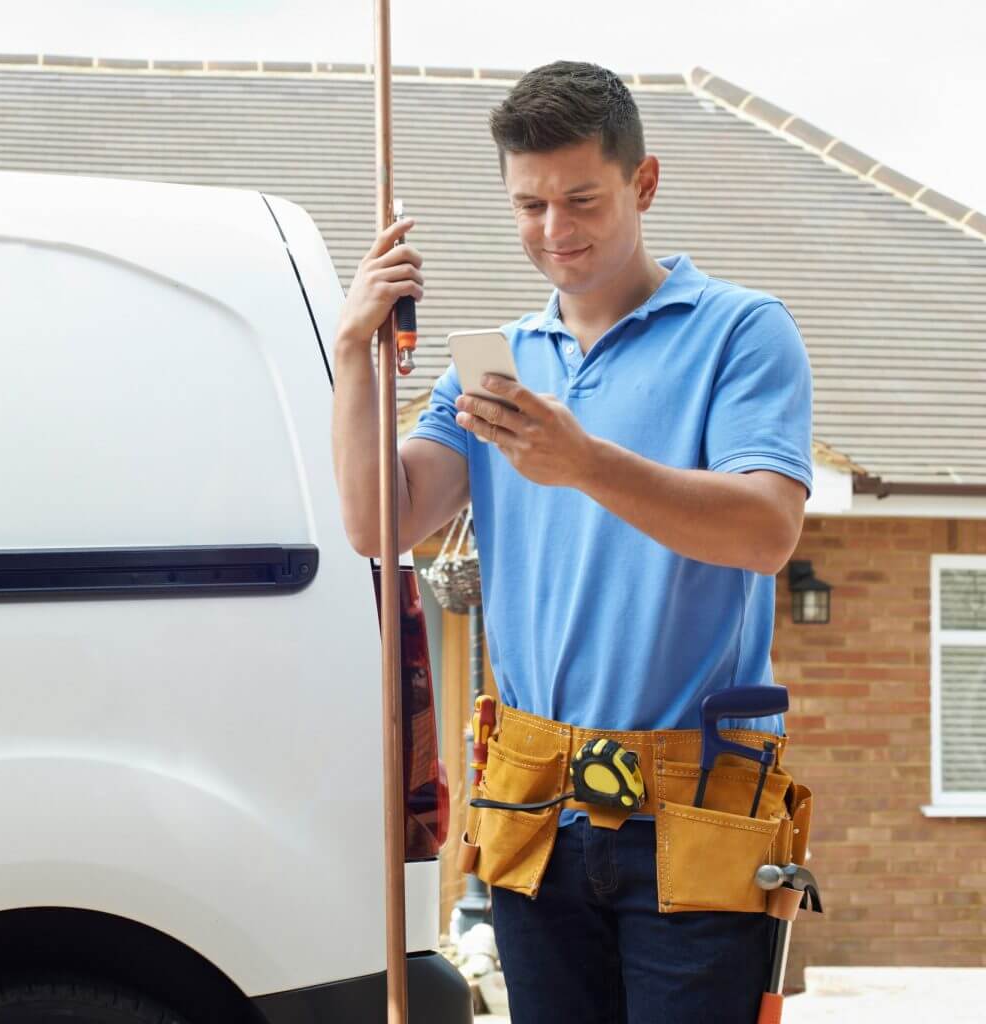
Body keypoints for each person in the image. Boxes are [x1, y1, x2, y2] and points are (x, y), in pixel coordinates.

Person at [332, 60, 812, 1024]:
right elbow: (376, 524)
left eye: (582, 198)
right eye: (530, 205)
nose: (556, 232)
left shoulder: (741, 333)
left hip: (697, 808)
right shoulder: (492, 372)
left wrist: (585, 461)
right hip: (533, 808)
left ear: (644, 183)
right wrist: (353, 352)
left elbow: (766, 530)